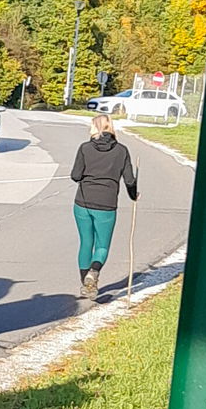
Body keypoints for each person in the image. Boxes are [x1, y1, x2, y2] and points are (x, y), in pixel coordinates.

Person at [71, 113, 139, 298]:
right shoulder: (122, 151)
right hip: (107, 204)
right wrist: (134, 196)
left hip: (83, 202)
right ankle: (94, 272)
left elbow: (75, 175)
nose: (89, 129)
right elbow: (130, 180)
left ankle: (87, 285)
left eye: (92, 125)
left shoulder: (84, 148)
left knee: (86, 242)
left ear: (98, 128)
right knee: (102, 245)